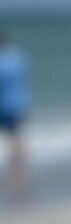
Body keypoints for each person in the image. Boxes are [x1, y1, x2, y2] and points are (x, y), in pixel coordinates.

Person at [0, 32, 30, 198]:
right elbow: (26, 78)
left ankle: (13, 177)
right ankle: (20, 177)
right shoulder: (18, 57)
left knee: (12, 142)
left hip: (3, 105)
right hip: (18, 103)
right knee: (16, 140)